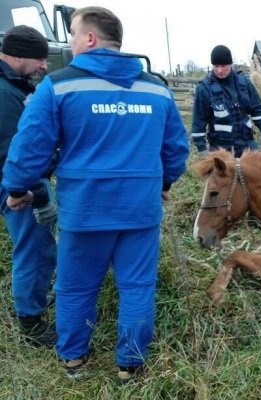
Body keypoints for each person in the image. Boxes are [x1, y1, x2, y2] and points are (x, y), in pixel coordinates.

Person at [2, 7, 189, 381]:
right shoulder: (156, 88)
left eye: (72, 34)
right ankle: (130, 365)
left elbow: (29, 149)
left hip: (85, 210)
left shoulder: (58, 86)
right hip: (140, 209)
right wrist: (164, 184)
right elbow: (175, 150)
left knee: (75, 286)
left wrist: (17, 189)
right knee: (137, 286)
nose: (69, 42)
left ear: (89, 39)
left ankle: (73, 359)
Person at [0, 25, 57, 348]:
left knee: (38, 246)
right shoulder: (7, 95)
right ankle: (30, 322)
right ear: (18, 55)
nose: (44, 66)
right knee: (34, 249)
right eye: (39, 58)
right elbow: (14, 156)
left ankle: (34, 299)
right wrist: (34, 193)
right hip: (16, 190)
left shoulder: (14, 86)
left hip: (19, 184)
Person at [191, 45, 261, 158]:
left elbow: (257, 108)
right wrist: (201, 148)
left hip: (246, 143)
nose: (219, 70)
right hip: (220, 147)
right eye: (216, 66)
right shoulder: (204, 88)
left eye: (223, 65)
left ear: (231, 64)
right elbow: (198, 120)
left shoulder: (245, 83)